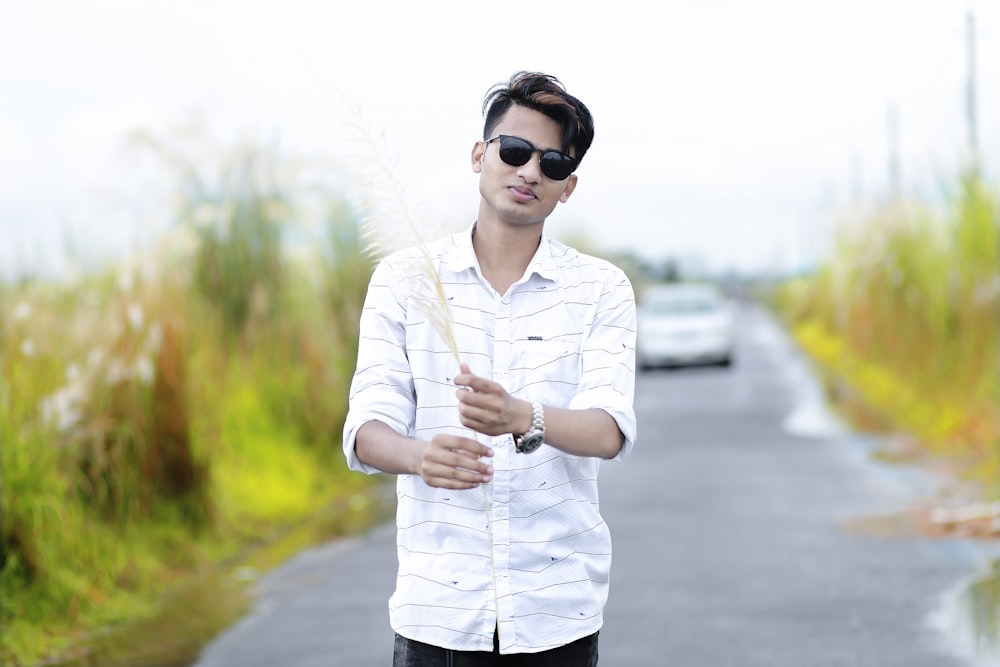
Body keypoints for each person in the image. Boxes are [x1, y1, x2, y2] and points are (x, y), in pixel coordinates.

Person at [342, 70, 637, 666]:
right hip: (439, 616)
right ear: (480, 155)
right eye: (515, 150)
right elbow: (366, 428)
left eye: (553, 163)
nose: (530, 171)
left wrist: (520, 416)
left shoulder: (600, 288)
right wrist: (420, 457)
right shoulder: (405, 280)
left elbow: (608, 431)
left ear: (568, 187)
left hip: (556, 614)